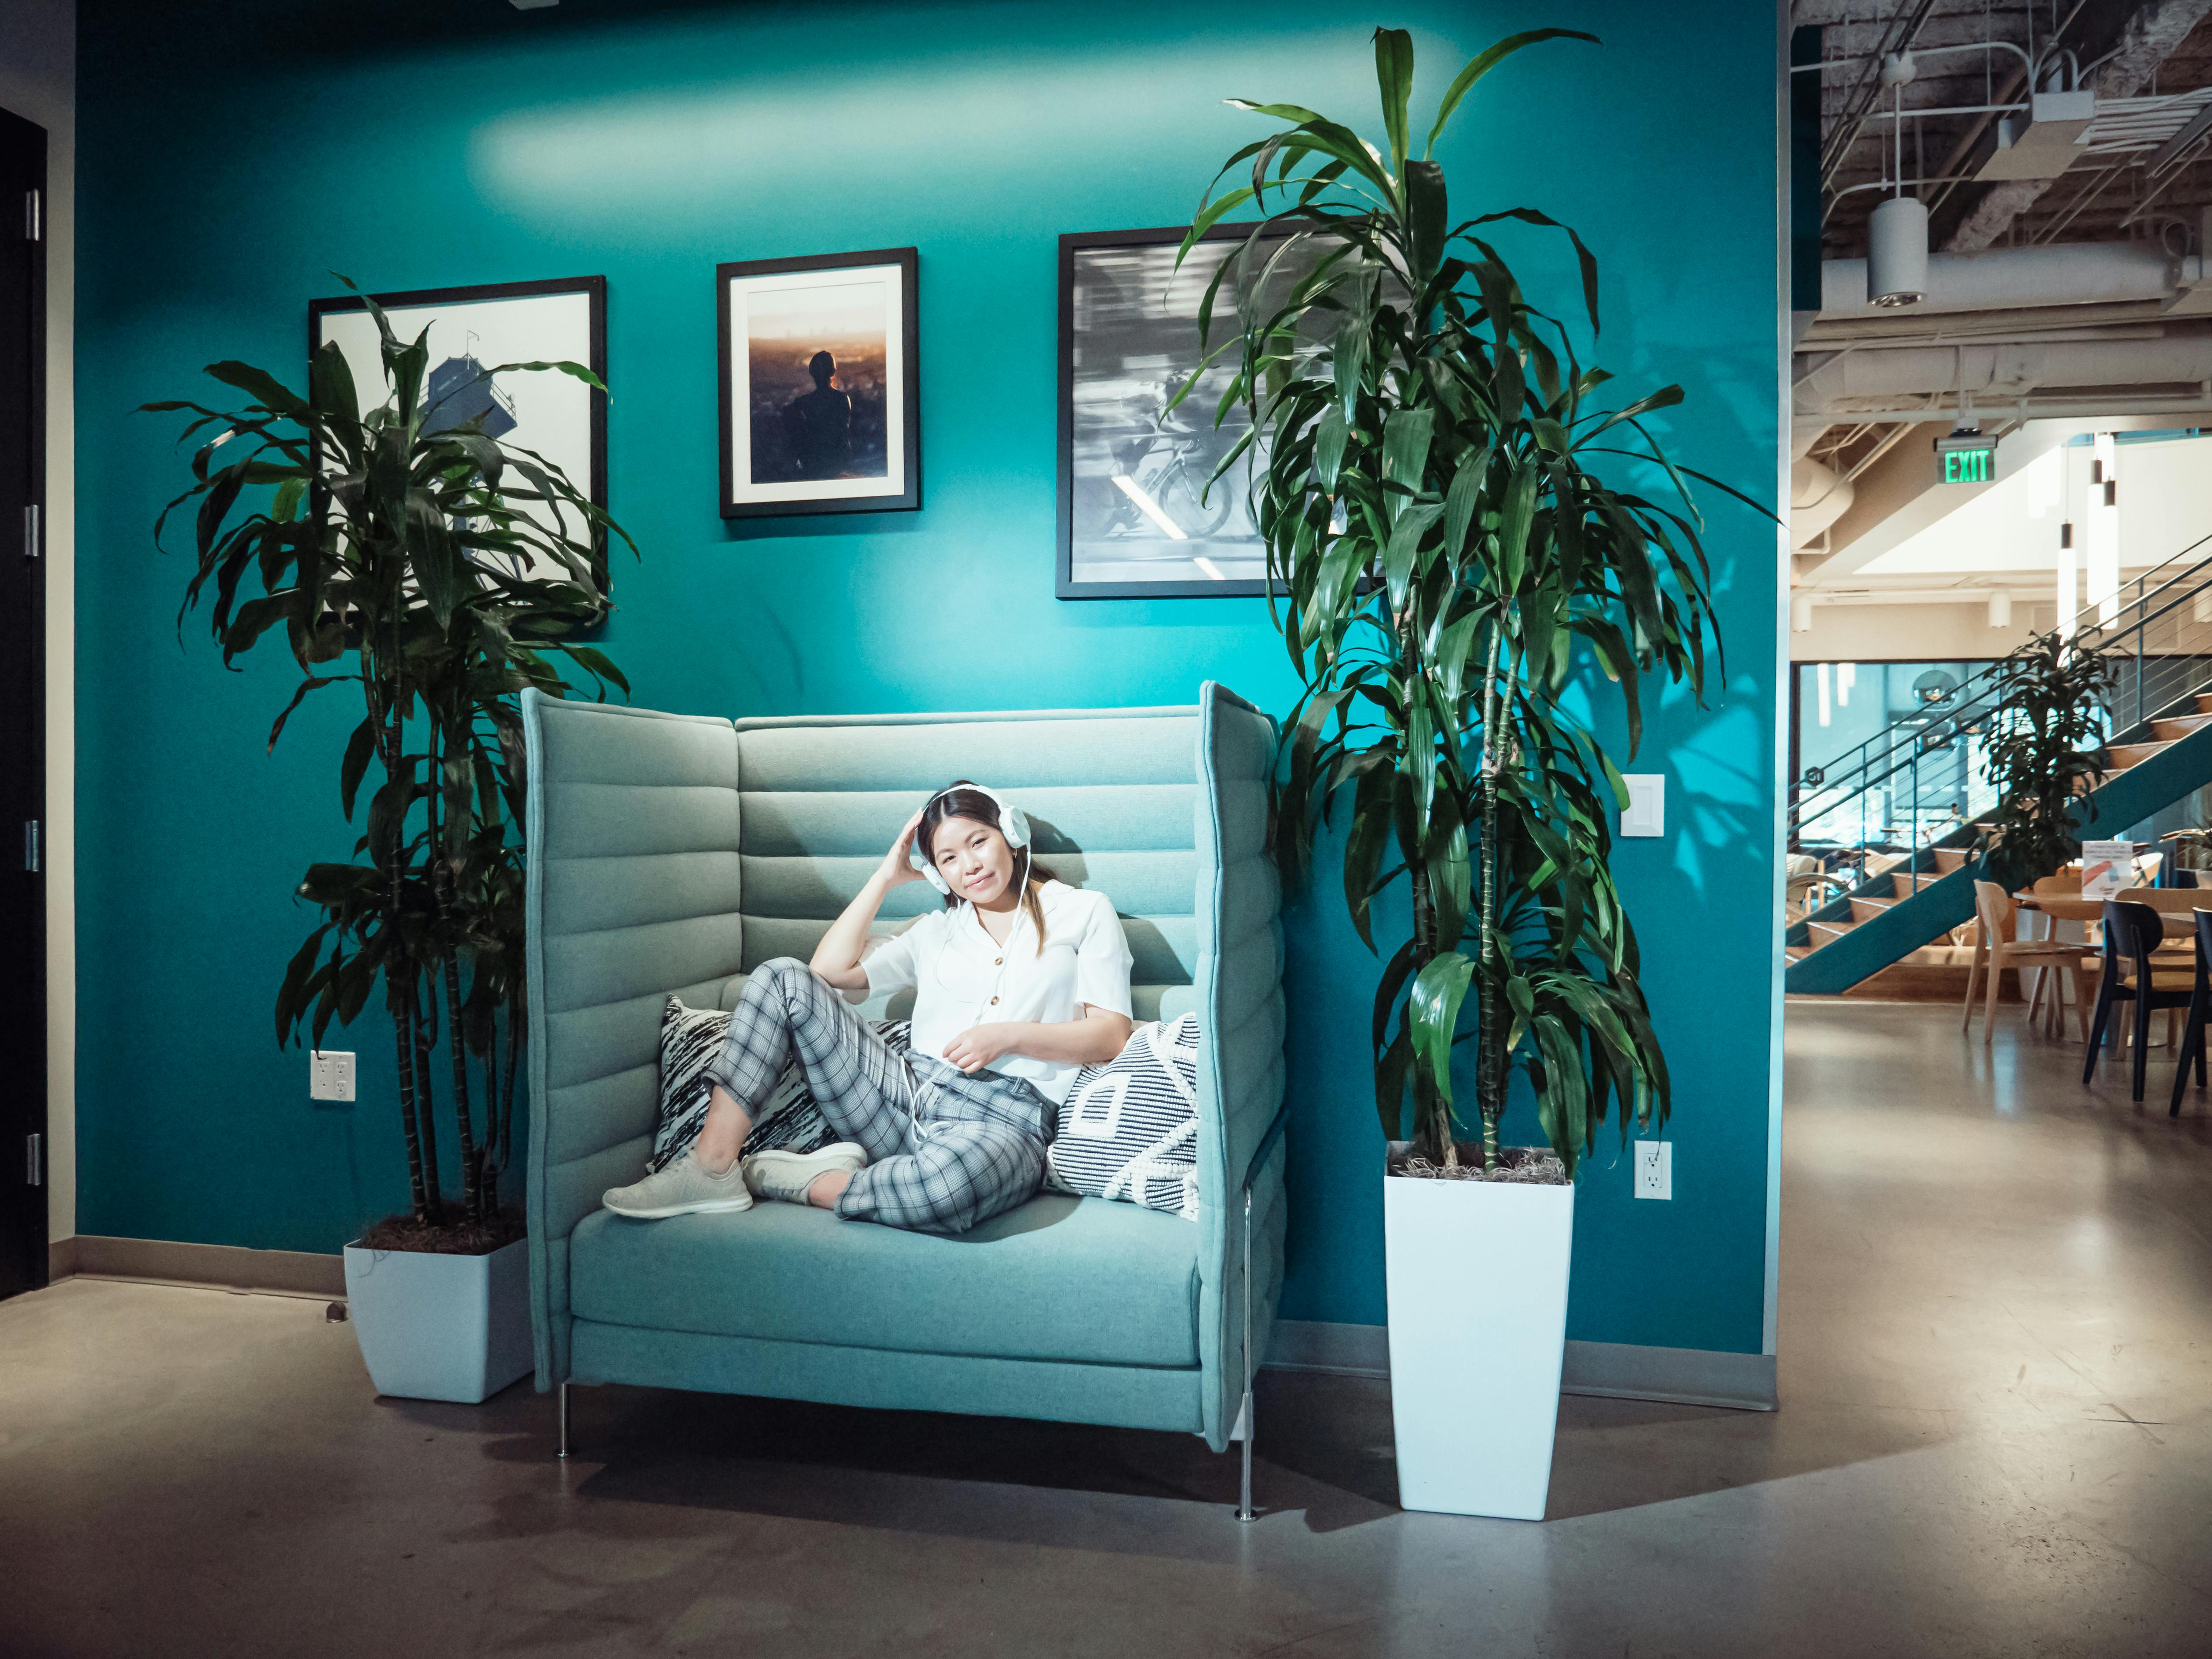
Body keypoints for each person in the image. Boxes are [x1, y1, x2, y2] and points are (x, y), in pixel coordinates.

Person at [601, 782, 1135, 1235]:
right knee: (782, 977)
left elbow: (1111, 1034)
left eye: (979, 842)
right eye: (949, 858)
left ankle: (809, 1181)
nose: (969, 865)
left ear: (1011, 836)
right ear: (936, 873)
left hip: (1004, 1121)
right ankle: (711, 1167)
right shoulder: (934, 931)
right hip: (900, 1096)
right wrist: (885, 877)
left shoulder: (1082, 911)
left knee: (948, 1188)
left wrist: (1008, 1036)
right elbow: (827, 971)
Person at [784, 349, 853, 479]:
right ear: (833, 372)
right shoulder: (843, 399)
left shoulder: (802, 403)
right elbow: (844, 432)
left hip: (813, 460)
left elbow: (795, 435)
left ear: (812, 373)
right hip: (837, 459)